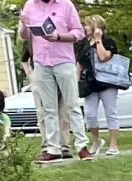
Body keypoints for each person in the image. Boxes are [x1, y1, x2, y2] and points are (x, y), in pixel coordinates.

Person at [19, 0, 85, 161]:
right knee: (48, 108)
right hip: (41, 61)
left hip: (63, 59)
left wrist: (59, 36)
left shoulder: (65, 4)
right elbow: (25, 37)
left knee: (72, 105)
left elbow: (79, 32)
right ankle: (53, 148)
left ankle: (82, 146)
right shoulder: (30, 5)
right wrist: (24, 26)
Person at [78, 18, 125, 158]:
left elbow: (103, 57)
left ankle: (113, 145)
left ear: (95, 26)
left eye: (87, 25)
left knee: (111, 112)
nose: (85, 27)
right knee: (90, 114)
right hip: (90, 83)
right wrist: (77, 81)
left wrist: (98, 40)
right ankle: (96, 140)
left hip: (106, 82)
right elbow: (80, 63)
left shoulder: (108, 42)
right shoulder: (84, 44)